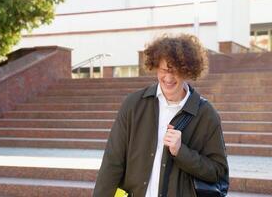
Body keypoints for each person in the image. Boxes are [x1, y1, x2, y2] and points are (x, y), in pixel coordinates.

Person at [93, 34, 229, 197]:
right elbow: (112, 162)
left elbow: (218, 172)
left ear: (187, 71)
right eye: (164, 70)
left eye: (176, 71)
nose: (169, 78)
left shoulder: (206, 114)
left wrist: (181, 152)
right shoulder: (134, 104)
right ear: (156, 66)